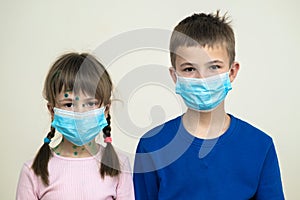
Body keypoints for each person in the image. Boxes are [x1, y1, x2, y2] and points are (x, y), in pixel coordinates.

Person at [133, 11, 284, 199]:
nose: (202, 79)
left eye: (214, 67)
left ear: (232, 72)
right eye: (189, 69)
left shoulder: (260, 146)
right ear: (175, 76)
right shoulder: (152, 147)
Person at [16, 52, 135, 199]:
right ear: (52, 110)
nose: (80, 112)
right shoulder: (33, 171)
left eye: (90, 103)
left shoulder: (119, 166)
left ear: (106, 110)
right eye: (68, 104)